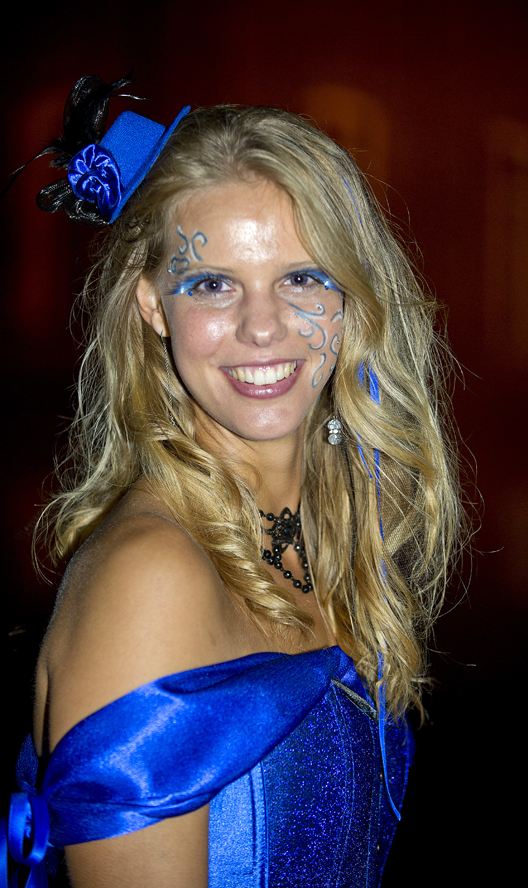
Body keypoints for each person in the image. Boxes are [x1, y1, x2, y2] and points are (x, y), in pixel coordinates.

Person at [2, 75, 461, 887]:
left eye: (302, 277)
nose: (261, 326)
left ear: (351, 296)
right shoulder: (151, 577)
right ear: (153, 304)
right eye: (211, 284)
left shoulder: (333, 527)